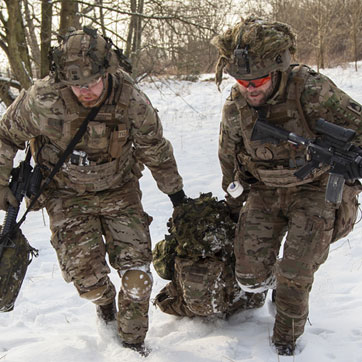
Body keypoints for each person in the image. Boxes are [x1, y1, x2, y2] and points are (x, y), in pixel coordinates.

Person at [0, 27, 186, 356]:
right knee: (89, 283)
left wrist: (176, 196)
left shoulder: (129, 98)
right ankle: (104, 303)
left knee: (136, 278)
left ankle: (132, 346)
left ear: (107, 71)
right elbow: (6, 135)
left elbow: (155, 148)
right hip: (65, 195)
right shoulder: (43, 99)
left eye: (92, 82)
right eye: (77, 84)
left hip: (119, 190)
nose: (86, 91)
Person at [211, 16, 362, 355]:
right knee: (249, 276)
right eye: (241, 80)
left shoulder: (311, 90)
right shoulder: (237, 106)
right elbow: (229, 156)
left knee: (296, 270)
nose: (250, 88)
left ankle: (285, 344)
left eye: (259, 80)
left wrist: (349, 163)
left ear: (278, 71)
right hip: (265, 189)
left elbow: (359, 126)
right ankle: (270, 290)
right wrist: (235, 203)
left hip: (315, 186)